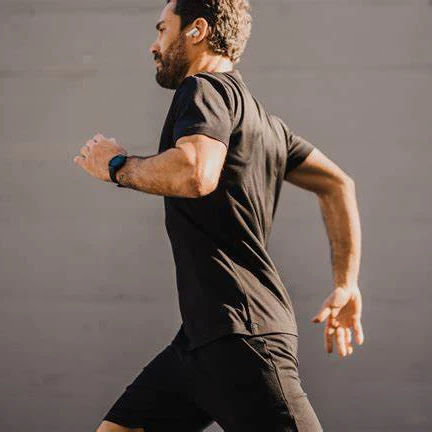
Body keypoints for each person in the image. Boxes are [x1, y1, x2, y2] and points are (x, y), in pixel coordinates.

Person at [73, 1, 364, 431]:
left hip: (243, 334)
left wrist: (116, 166)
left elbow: (195, 172)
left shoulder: (203, 89)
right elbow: (338, 184)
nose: (154, 45)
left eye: (162, 30)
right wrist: (346, 283)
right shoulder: (266, 124)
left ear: (197, 30)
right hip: (201, 338)